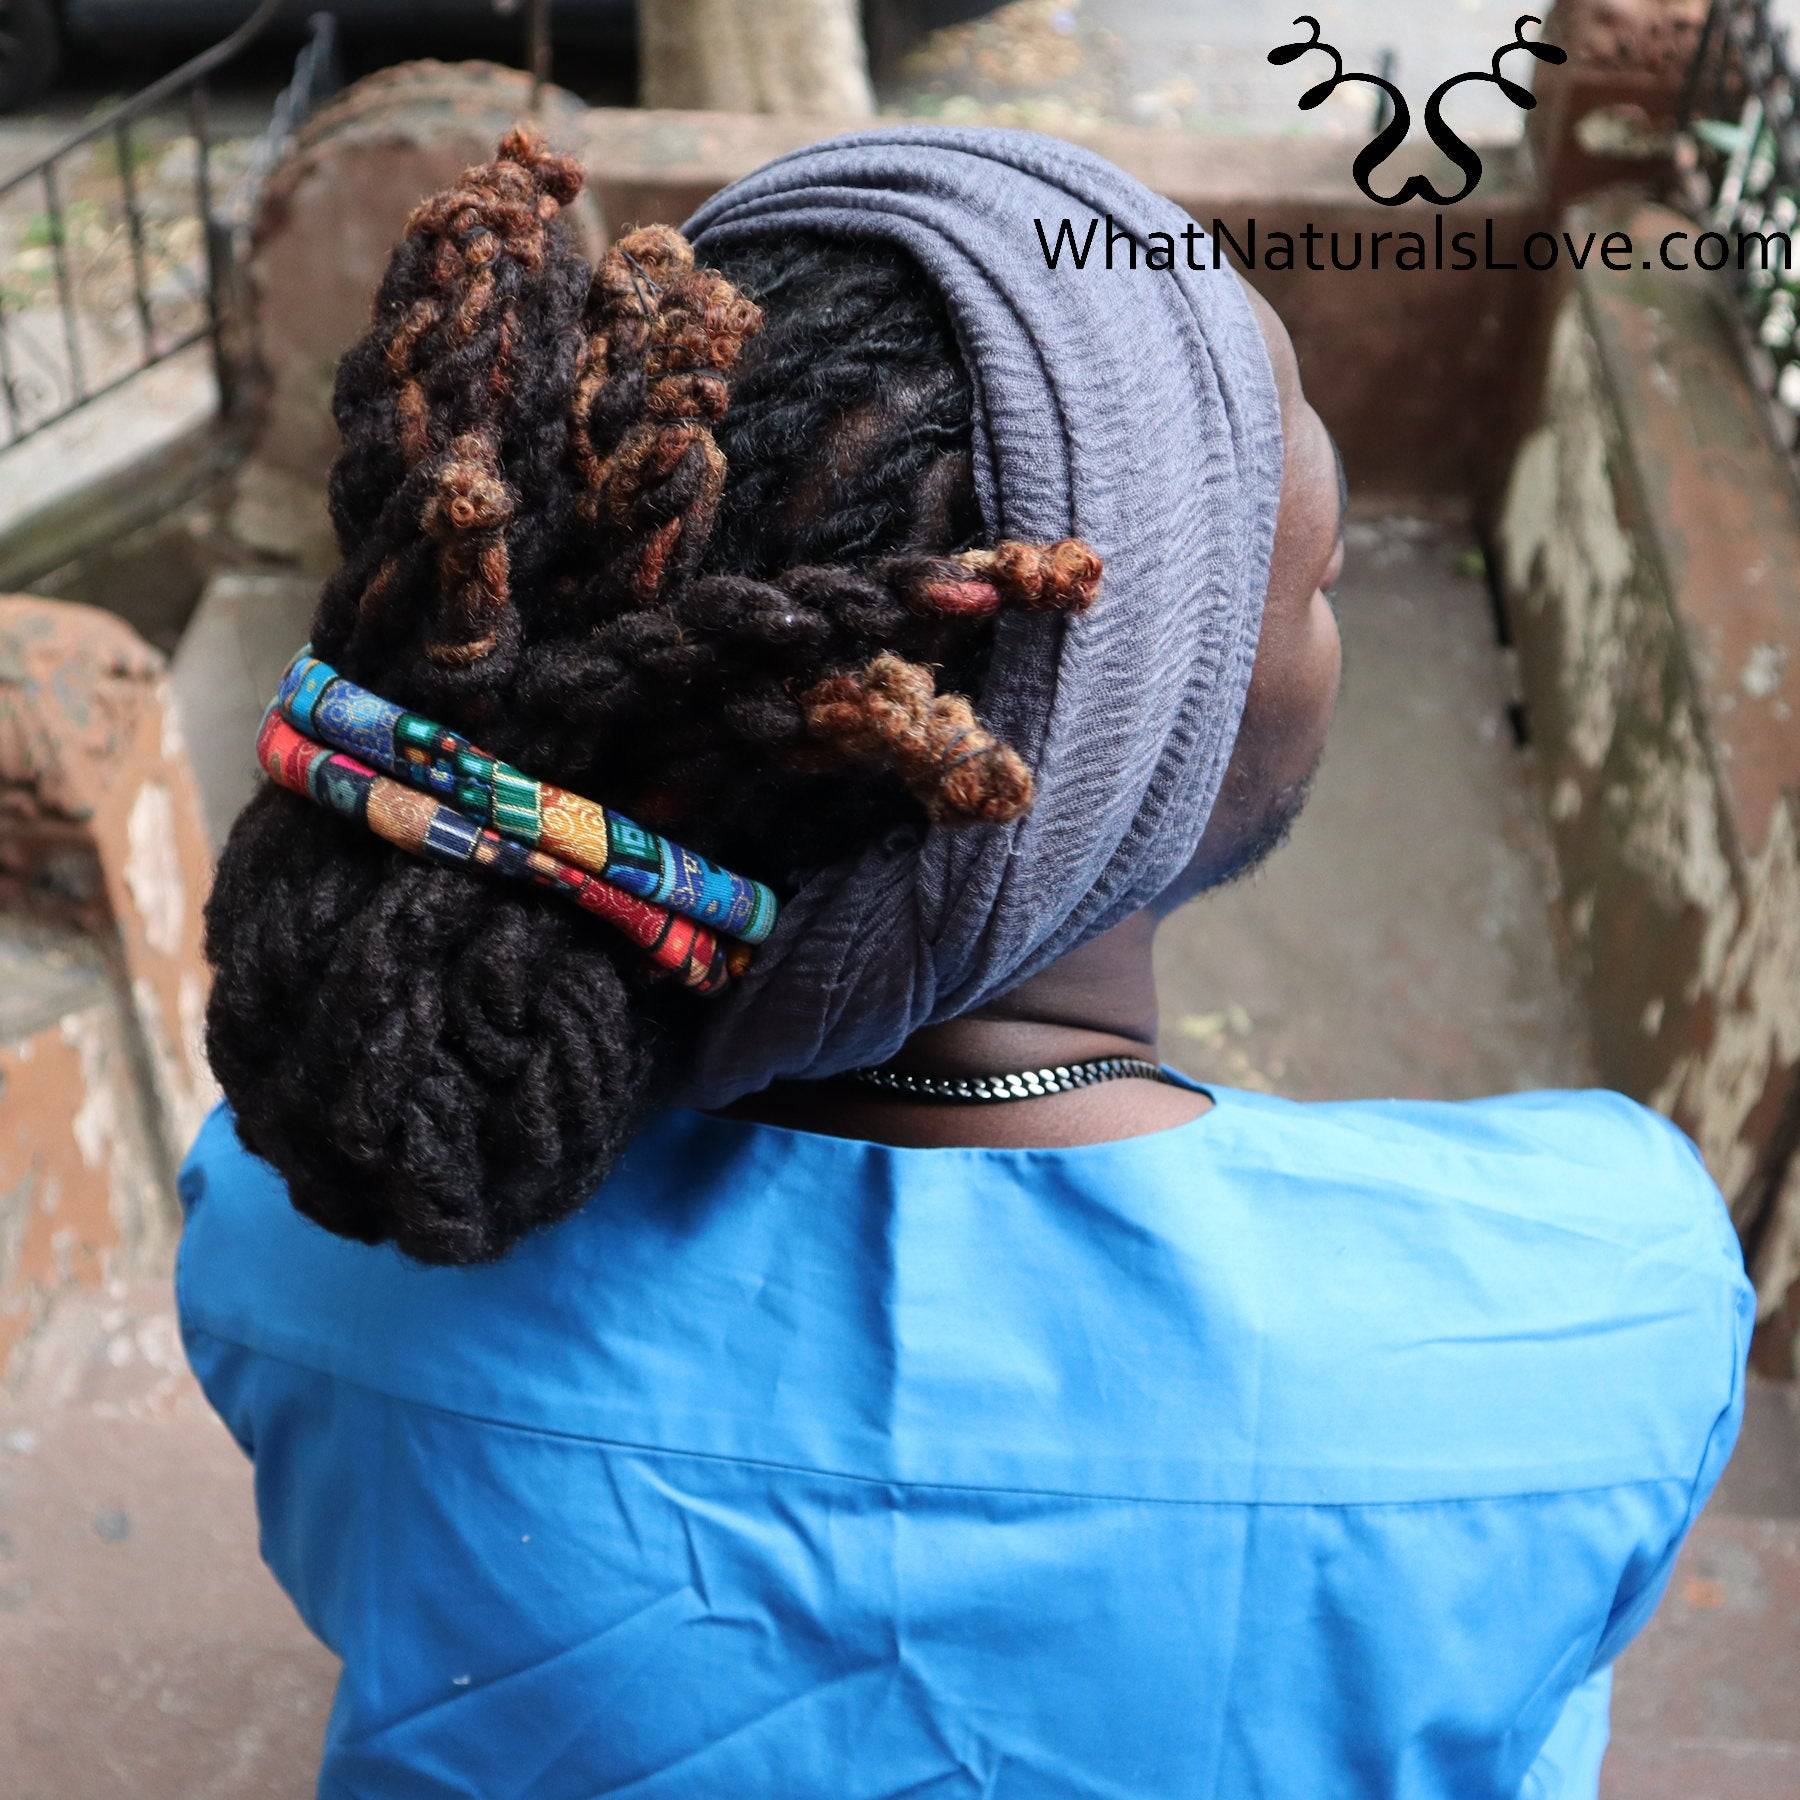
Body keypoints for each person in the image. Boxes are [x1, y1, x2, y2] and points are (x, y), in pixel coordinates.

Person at [177, 125, 1752, 1799]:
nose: (1338, 541)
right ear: (1132, 756)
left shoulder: (322, 1214)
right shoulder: (1594, 1301)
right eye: (1313, 578)